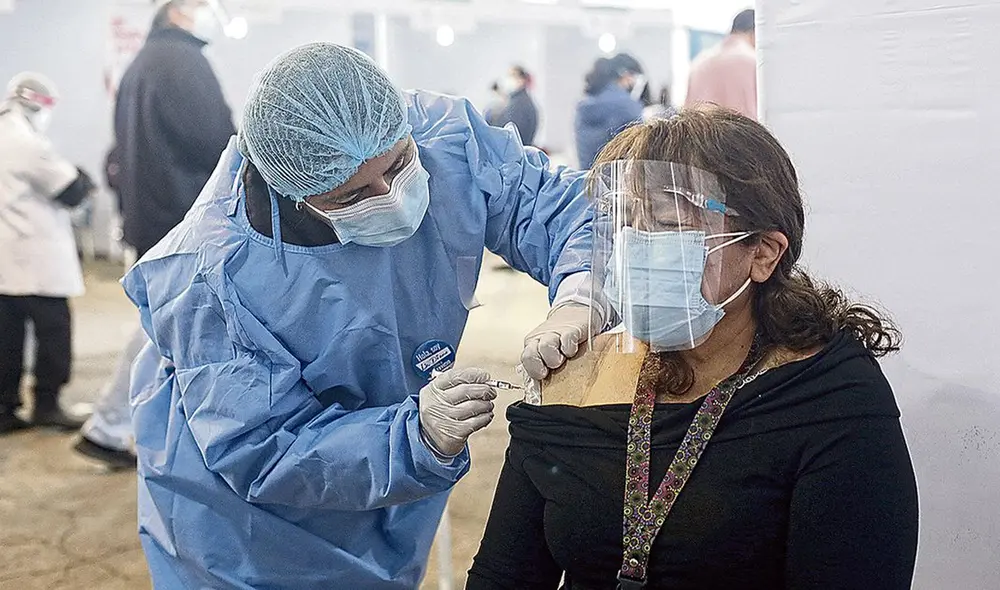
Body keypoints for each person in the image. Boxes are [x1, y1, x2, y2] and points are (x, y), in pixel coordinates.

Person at [122, 42, 600, 588]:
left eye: (399, 165)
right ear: (291, 194)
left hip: (375, 469)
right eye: (353, 196)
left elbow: (555, 208)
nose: (392, 197)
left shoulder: (443, 137)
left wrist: (579, 296)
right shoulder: (211, 276)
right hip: (243, 529)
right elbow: (263, 445)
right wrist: (414, 438)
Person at [468, 107, 919, 589]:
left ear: (763, 252)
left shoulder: (828, 399)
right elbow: (504, 575)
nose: (637, 246)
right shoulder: (576, 380)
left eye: (666, 224)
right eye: (627, 223)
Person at [74, 0, 234, 467]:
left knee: (167, 322)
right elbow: (217, 141)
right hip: (182, 215)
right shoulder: (182, 62)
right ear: (179, 11)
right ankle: (108, 425)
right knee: (162, 324)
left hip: (154, 213)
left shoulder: (142, 65)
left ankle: (116, 424)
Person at [0, 73, 96, 434]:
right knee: (53, 333)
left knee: (7, 337)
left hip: (7, 260)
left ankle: (4, 408)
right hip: (37, 258)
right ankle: (47, 403)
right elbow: (70, 191)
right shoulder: (26, 142)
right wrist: (83, 179)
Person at [574, 53, 645, 169]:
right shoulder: (627, 106)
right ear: (626, 75)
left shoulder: (584, 105)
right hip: (617, 183)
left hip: (586, 180)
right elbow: (641, 150)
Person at [685, 8, 758, 119]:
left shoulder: (700, 61)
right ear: (754, 32)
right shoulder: (753, 61)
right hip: (742, 134)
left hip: (701, 134)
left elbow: (687, 113)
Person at [491, 65, 539, 146]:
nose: (508, 79)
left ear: (522, 80)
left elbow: (508, 132)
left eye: (512, 75)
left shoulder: (519, 105)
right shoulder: (518, 101)